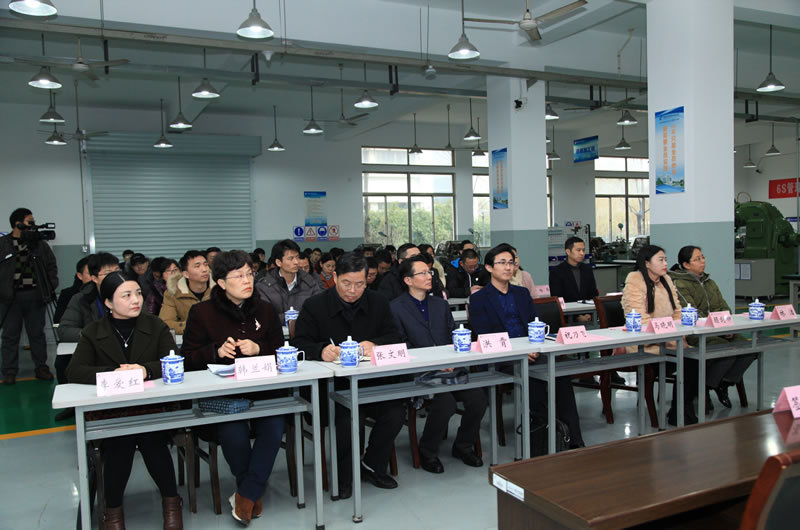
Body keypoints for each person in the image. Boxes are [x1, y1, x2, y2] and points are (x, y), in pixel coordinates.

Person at [66, 271, 183, 530]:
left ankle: (172, 504)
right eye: (126, 295)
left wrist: (145, 370)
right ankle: (113, 513)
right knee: (120, 441)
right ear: (108, 302)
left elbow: (174, 360)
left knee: (152, 439)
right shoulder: (93, 331)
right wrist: (114, 373)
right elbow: (74, 371)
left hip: (152, 406)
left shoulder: (155, 325)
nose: (136, 300)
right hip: (112, 410)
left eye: (138, 293)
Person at [182, 251, 284, 526]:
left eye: (250, 274)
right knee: (234, 433)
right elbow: (186, 360)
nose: (247, 280)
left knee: (274, 427)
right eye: (238, 276)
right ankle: (250, 491)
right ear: (221, 283)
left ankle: (246, 494)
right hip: (224, 396)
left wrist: (259, 349)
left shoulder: (265, 309)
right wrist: (215, 352)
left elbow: (282, 351)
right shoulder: (202, 313)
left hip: (264, 390)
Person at [292, 252, 405, 499]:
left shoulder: (378, 302)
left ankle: (372, 465)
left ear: (367, 281)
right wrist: (320, 350)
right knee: (349, 418)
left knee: (395, 412)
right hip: (332, 388)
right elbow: (299, 344)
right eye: (346, 283)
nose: (352, 290)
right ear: (335, 277)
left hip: (372, 382)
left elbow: (395, 336)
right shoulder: (315, 305)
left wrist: (375, 344)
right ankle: (345, 476)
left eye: (359, 284)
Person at [469, 243, 585, 448]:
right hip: (503, 357)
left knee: (561, 375)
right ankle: (542, 441)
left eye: (511, 263)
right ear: (489, 267)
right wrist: (521, 352)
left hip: (532, 352)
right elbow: (485, 336)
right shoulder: (479, 299)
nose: (508, 267)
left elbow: (534, 324)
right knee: (535, 380)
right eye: (502, 263)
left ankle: (574, 439)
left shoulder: (522, 293)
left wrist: (534, 347)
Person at [390, 255, 486, 473]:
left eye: (430, 272)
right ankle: (427, 451)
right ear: (408, 280)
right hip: (419, 372)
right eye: (422, 273)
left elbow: (452, 334)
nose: (429, 276)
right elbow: (401, 345)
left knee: (478, 399)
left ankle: (463, 445)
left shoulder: (440, 305)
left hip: (450, 368)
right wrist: (432, 363)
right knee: (446, 403)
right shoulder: (395, 308)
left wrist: (451, 359)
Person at [668, 245, 756, 408]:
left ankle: (723, 383)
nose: (702, 261)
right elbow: (692, 313)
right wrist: (718, 327)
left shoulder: (710, 282)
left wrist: (726, 326)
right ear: (686, 264)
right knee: (725, 350)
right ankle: (706, 387)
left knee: (750, 348)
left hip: (719, 329)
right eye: (697, 259)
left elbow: (724, 307)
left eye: (703, 257)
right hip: (695, 333)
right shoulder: (679, 284)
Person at [622, 244, 697, 425]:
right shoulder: (634, 280)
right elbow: (640, 319)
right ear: (647, 263)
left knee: (695, 358)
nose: (665, 264)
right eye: (660, 260)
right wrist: (670, 335)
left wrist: (679, 335)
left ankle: (680, 409)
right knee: (689, 360)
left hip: (670, 339)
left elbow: (677, 312)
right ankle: (681, 412)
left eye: (666, 260)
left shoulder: (666, 279)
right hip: (645, 343)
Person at [0, 207, 58, 385]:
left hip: (35, 295)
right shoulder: (3, 244)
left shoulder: (39, 245)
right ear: (17, 223)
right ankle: (9, 371)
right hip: (10, 297)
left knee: (37, 334)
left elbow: (51, 266)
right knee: (10, 336)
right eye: (30, 221)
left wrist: (50, 285)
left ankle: (41, 368)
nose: (33, 225)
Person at [256, 239, 322, 323]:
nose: (296, 262)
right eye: (290, 258)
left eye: (297, 257)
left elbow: (319, 310)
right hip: (276, 331)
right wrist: (290, 317)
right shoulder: (264, 286)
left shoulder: (309, 282)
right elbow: (264, 316)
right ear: (278, 262)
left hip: (304, 330)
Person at [159, 250, 211, 335]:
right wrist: (193, 326)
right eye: (197, 266)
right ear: (186, 274)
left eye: (206, 264)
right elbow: (165, 322)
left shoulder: (221, 289)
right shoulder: (173, 293)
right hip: (190, 337)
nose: (204, 269)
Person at [549, 236, 598, 323]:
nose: (582, 253)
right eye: (578, 250)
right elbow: (558, 299)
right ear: (568, 252)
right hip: (567, 317)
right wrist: (577, 317)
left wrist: (589, 314)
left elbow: (593, 294)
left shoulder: (587, 270)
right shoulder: (557, 272)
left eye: (583, 250)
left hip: (589, 314)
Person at [53, 256, 91, 324]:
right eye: (90, 274)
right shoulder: (68, 294)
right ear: (80, 276)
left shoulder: (107, 292)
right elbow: (58, 320)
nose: (95, 277)